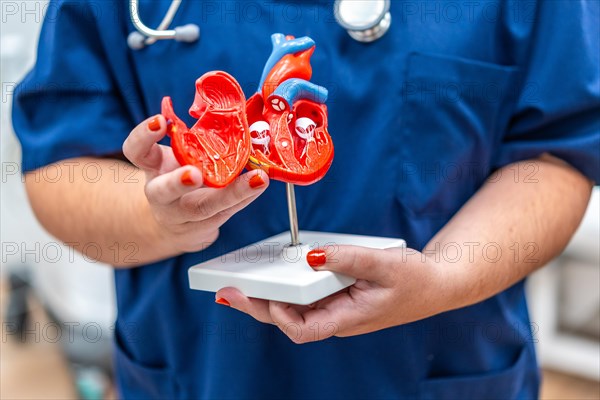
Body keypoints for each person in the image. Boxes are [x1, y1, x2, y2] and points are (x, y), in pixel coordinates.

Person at [13, 1, 599, 398]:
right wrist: (157, 215)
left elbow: (556, 155)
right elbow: (60, 165)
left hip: (439, 370)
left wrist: (446, 276)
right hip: (200, 371)